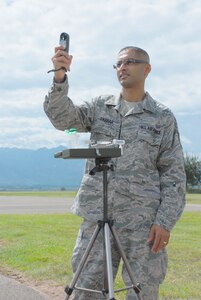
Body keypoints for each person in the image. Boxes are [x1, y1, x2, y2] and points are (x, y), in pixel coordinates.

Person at [44, 45, 186, 300]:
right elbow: (62, 118)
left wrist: (165, 221)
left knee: (142, 290)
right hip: (97, 215)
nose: (122, 67)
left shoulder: (162, 117)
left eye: (130, 61)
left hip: (142, 223)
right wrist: (59, 75)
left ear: (147, 68)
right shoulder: (100, 107)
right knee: (86, 288)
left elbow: (174, 174)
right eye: (118, 63)